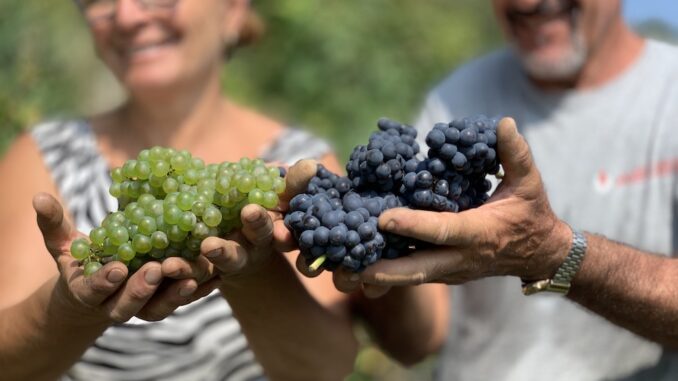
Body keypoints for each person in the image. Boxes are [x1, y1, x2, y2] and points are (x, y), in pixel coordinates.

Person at [0, 1, 362, 380]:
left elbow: (326, 370)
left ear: (233, 10)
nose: (126, 15)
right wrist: (69, 312)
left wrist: (255, 275)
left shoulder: (295, 174)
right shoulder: (43, 155)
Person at [332, 0, 678, 380]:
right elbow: (417, 342)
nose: (528, 3)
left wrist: (556, 255)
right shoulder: (455, 98)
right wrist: (377, 251)